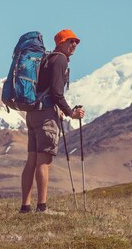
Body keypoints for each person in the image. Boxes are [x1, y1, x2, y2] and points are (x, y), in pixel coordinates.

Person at [19, 29, 85, 214]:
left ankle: (25, 207)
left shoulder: (47, 59)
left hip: (32, 113)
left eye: (76, 42)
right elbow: (57, 92)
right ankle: (42, 207)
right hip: (46, 115)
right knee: (43, 161)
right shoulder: (60, 60)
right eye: (71, 41)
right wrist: (70, 112)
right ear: (61, 43)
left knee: (31, 160)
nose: (74, 45)